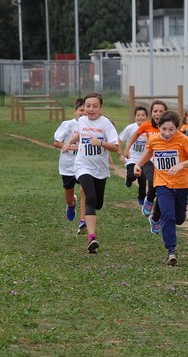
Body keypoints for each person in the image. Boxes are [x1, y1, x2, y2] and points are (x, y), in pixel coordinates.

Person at [134, 111, 188, 266]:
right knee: (168, 215)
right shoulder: (154, 139)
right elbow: (149, 152)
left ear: (177, 128)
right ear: (159, 127)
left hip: (182, 184)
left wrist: (181, 165)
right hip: (163, 183)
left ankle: (158, 219)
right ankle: (171, 250)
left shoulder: (183, 139)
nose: (167, 133)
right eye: (164, 129)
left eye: (171, 129)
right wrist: (138, 165)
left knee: (179, 219)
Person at [62, 92, 119, 253]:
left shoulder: (105, 123)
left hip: (100, 169)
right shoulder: (82, 120)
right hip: (82, 165)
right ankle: (92, 237)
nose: (90, 109)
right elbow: (81, 133)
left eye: (95, 106)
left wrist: (100, 143)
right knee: (90, 197)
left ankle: (91, 226)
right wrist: (69, 142)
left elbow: (115, 147)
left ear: (100, 107)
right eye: (88, 106)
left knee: (97, 203)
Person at [124, 100, 168, 217]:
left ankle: (156, 216)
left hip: (164, 161)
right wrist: (128, 147)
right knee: (152, 181)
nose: (158, 114)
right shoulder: (146, 125)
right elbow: (136, 134)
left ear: (166, 113)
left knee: (162, 188)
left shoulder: (169, 127)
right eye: (155, 111)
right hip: (149, 159)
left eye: (161, 111)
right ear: (151, 113)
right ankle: (149, 200)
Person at [53, 98, 87, 229]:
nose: (83, 113)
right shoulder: (68, 125)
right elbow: (56, 143)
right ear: (75, 111)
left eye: (85, 111)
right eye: (81, 110)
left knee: (84, 190)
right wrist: (71, 147)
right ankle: (71, 204)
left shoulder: (90, 126)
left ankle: (83, 220)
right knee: (68, 196)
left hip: (84, 165)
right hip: (67, 166)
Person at [118, 106, 149, 206]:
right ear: (135, 117)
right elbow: (120, 139)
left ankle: (141, 197)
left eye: (143, 115)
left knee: (142, 180)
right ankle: (128, 179)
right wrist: (121, 154)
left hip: (143, 160)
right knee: (132, 176)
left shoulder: (149, 128)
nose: (140, 117)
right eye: (138, 115)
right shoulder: (130, 128)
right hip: (131, 159)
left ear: (146, 117)